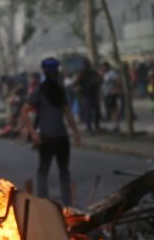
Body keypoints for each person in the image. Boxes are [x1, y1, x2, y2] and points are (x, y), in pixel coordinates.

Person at [21, 58, 82, 206]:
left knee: (43, 171)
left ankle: (45, 205)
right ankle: (68, 205)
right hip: (60, 137)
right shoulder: (60, 91)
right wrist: (76, 133)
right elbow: (68, 115)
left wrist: (33, 132)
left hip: (47, 138)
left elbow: (24, 111)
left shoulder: (40, 90)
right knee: (63, 171)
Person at [75, 59, 101, 133]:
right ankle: (96, 126)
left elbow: (76, 82)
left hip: (86, 95)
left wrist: (78, 87)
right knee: (95, 111)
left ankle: (89, 128)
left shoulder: (82, 73)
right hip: (93, 94)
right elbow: (99, 80)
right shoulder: (93, 72)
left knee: (88, 112)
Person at [101, 61, 123, 132]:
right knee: (111, 110)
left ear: (107, 67)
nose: (103, 68)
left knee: (114, 110)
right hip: (106, 94)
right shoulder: (105, 74)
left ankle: (117, 125)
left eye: (104, 67)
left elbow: (119, 81)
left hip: (111, 94)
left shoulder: (112, 73)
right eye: (102, 67)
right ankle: (115, 125)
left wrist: (115, 89)